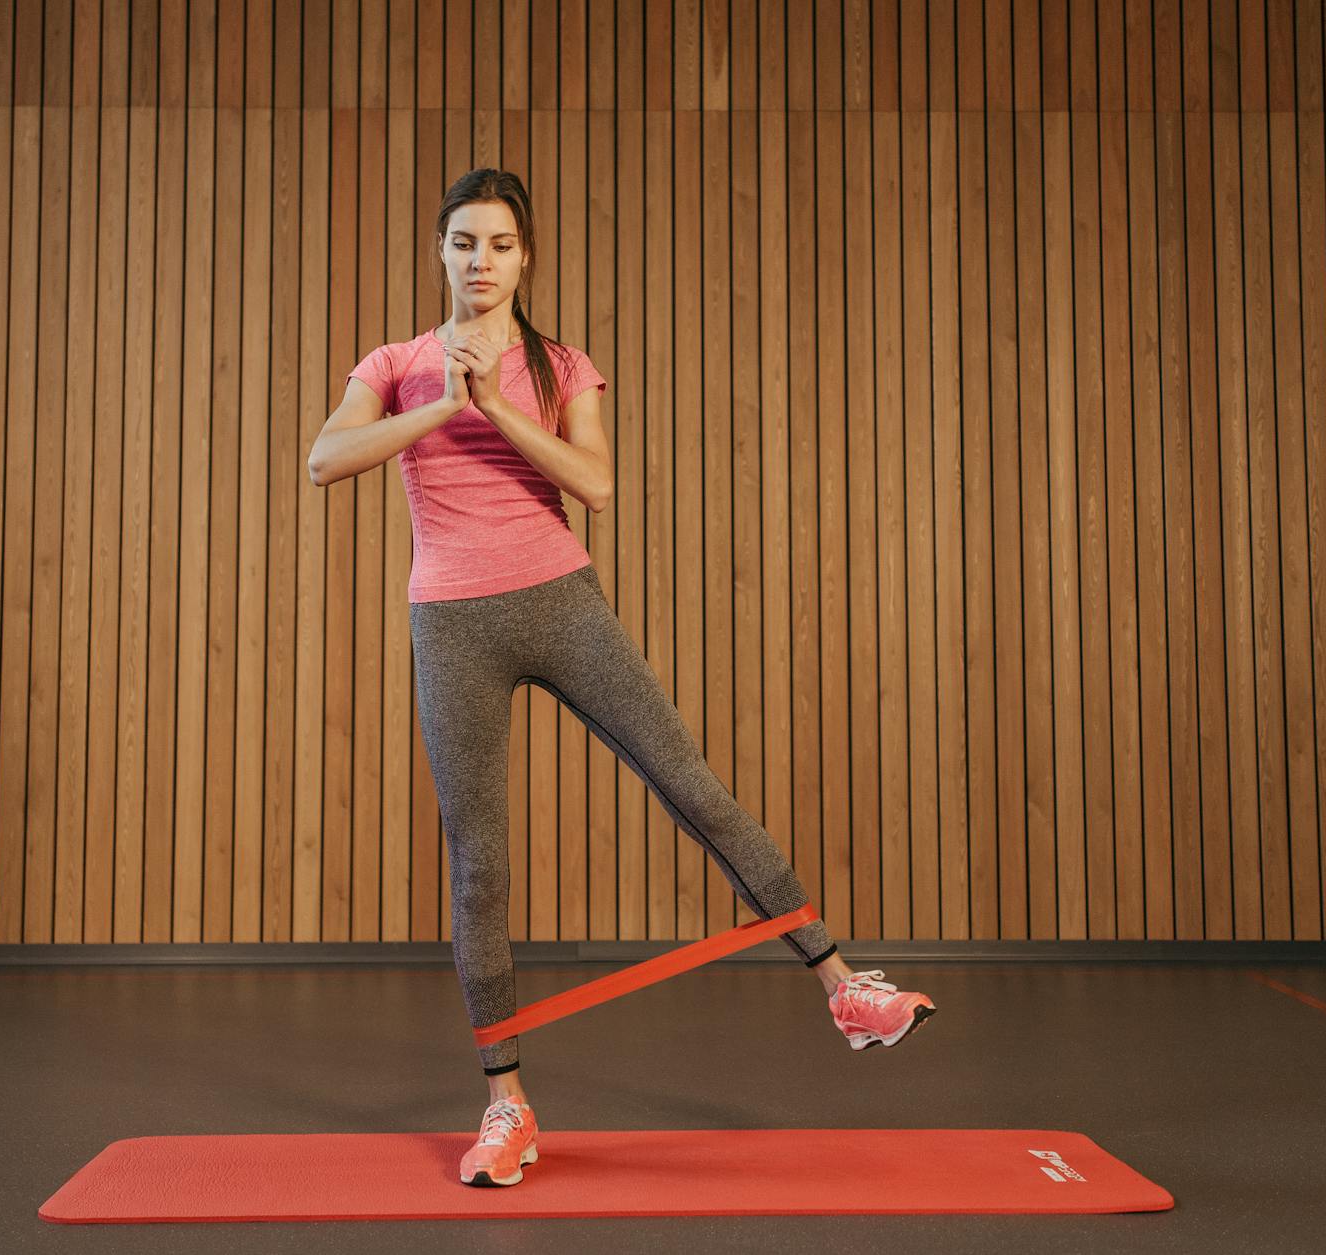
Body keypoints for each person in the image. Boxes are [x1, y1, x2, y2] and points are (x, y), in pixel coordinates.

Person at [308, 168, 936, 1188]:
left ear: (524, 257)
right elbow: (323, 461)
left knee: (691, 786)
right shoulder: (393, 362)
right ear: (440, 251)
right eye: (463, 241)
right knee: (478, 863)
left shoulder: (561, 365)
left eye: (499, 243)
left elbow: (594, 483)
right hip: (450, 624)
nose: (479, 260)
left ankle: (842, 988)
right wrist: (437, 406)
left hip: (561, 601)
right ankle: (505, 1103)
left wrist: (495, 408)